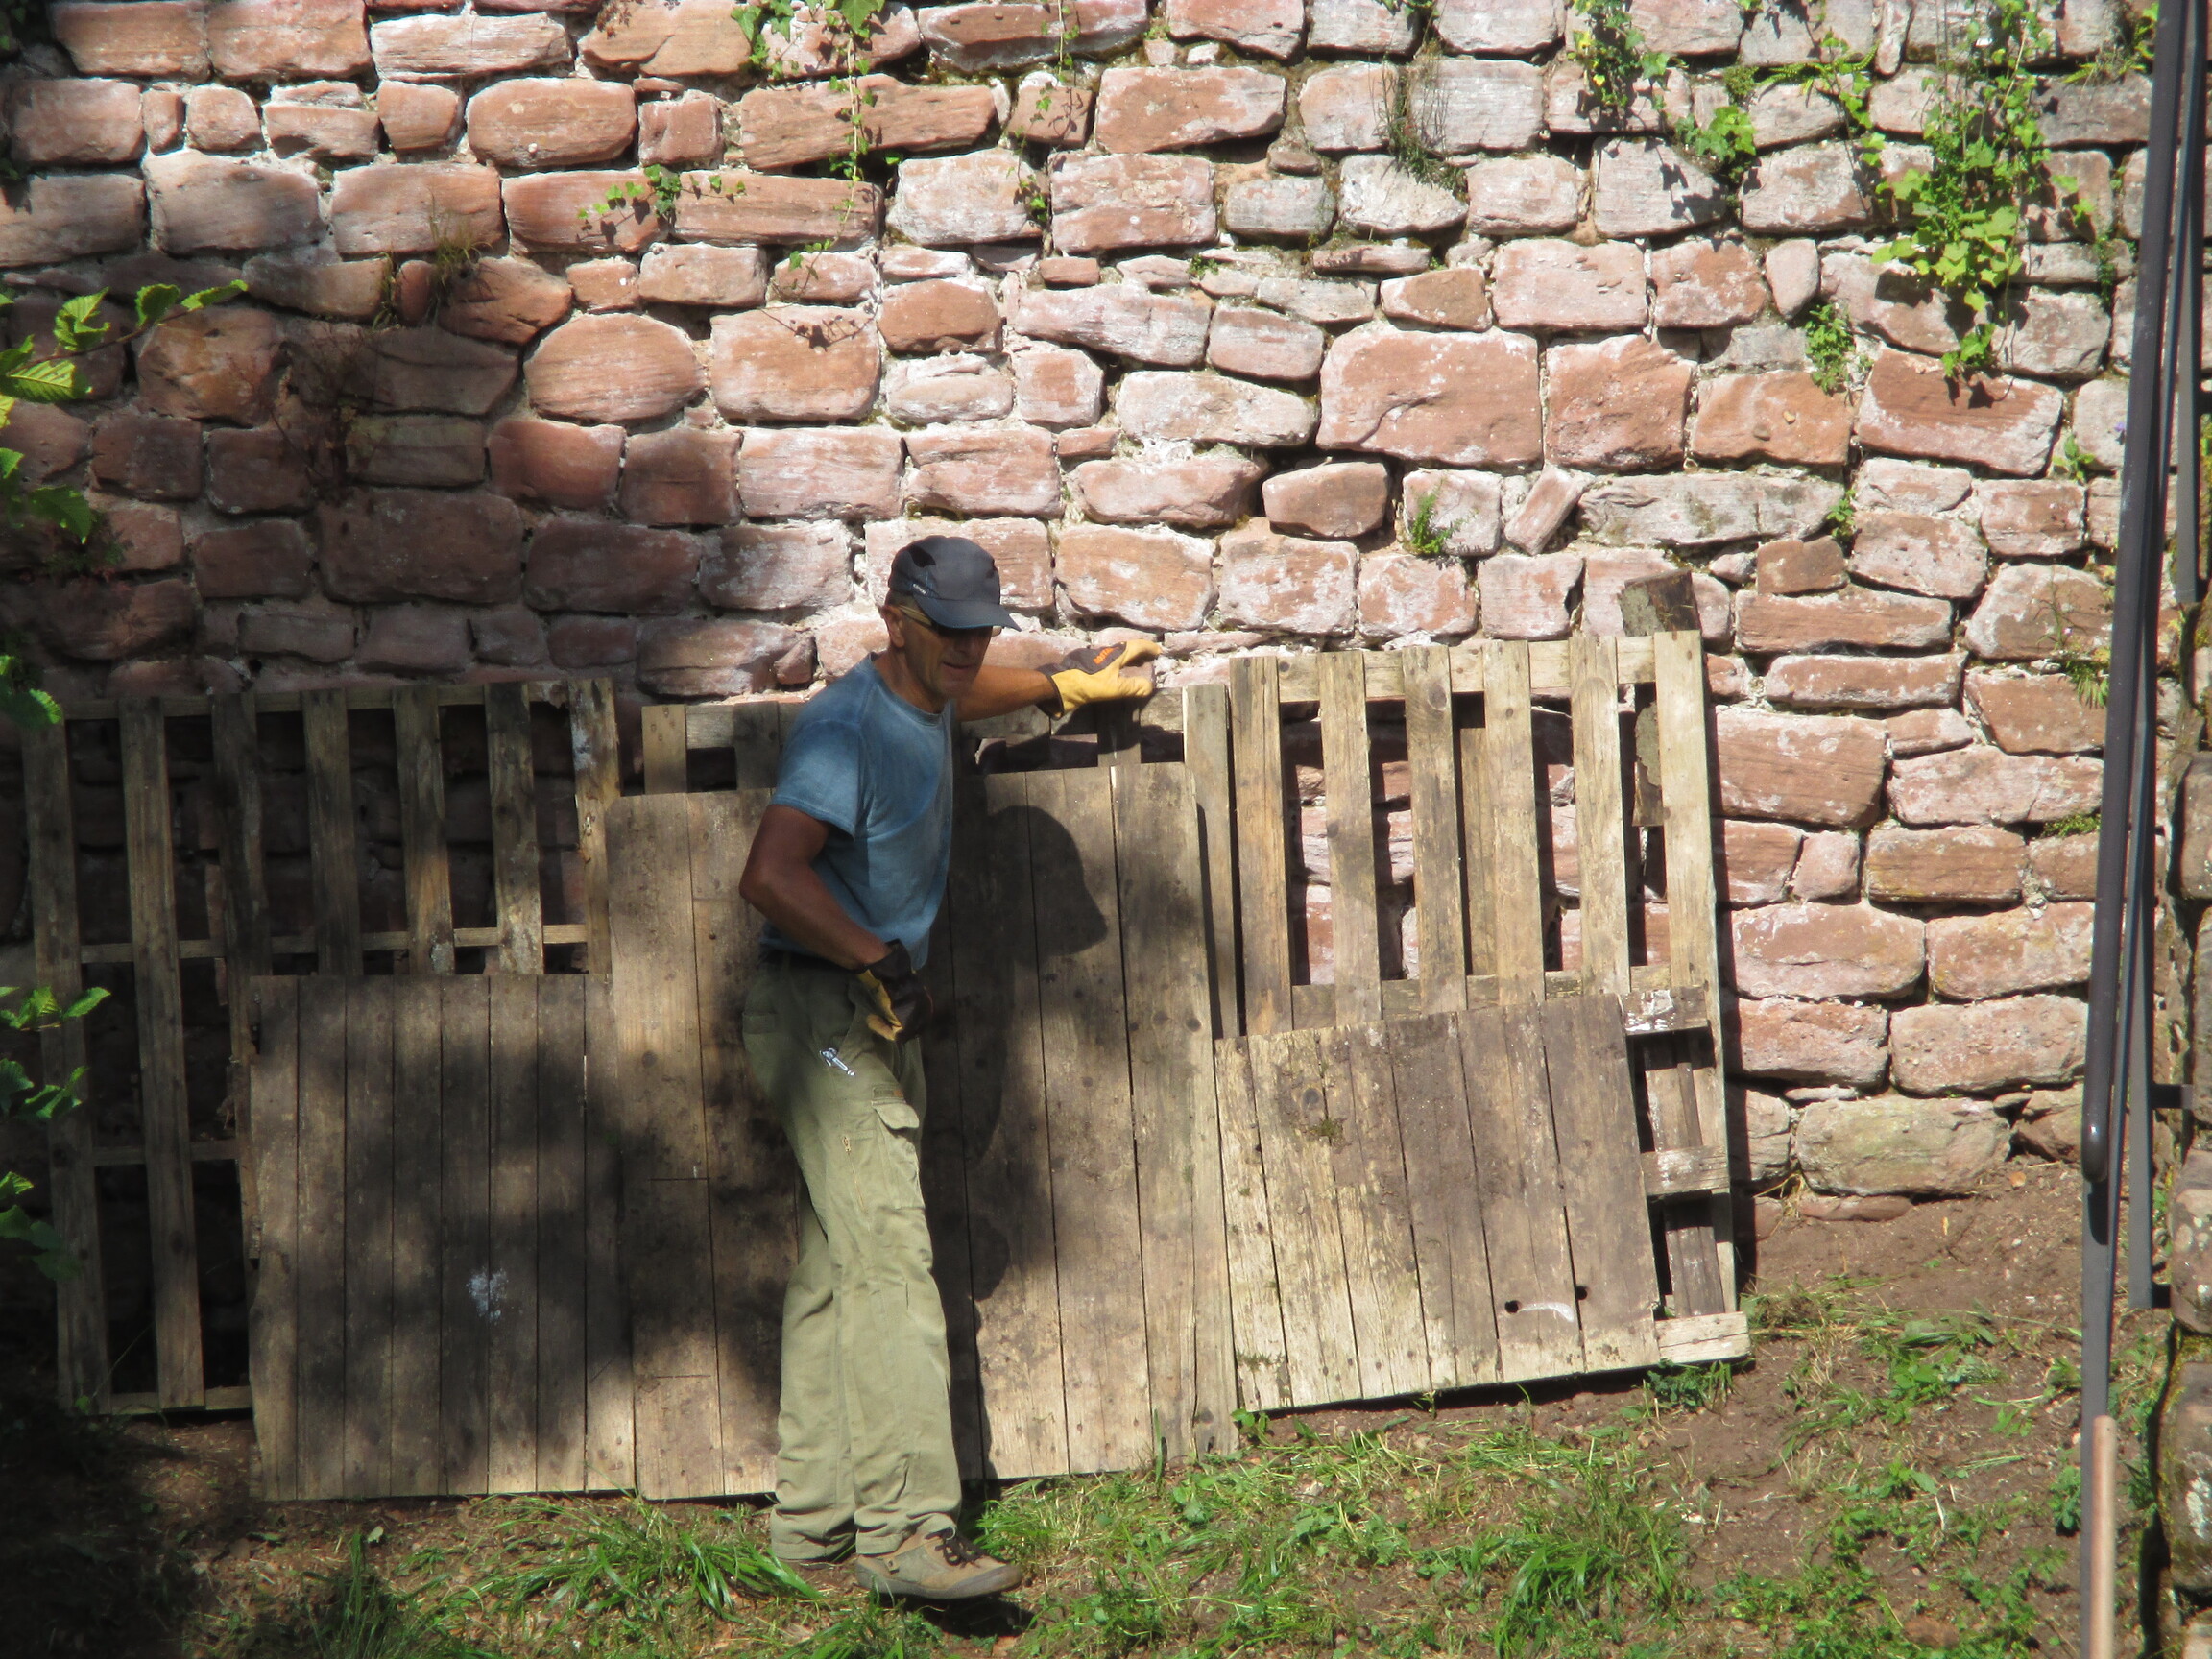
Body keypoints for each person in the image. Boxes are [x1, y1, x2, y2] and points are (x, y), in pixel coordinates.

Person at [735, 535, 1159, 1600]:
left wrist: (1061, 682)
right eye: (950, 634)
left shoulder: (932, 688)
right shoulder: (844, 729)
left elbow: (967, 694)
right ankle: (908, 1534)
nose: (969, 652)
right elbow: (770, 874)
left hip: (868, 1013)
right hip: (823, 1013)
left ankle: (813, 1531)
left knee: (838, 1273)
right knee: (891, 1265)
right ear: (895, 623)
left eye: (982, 634)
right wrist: (878, 958)